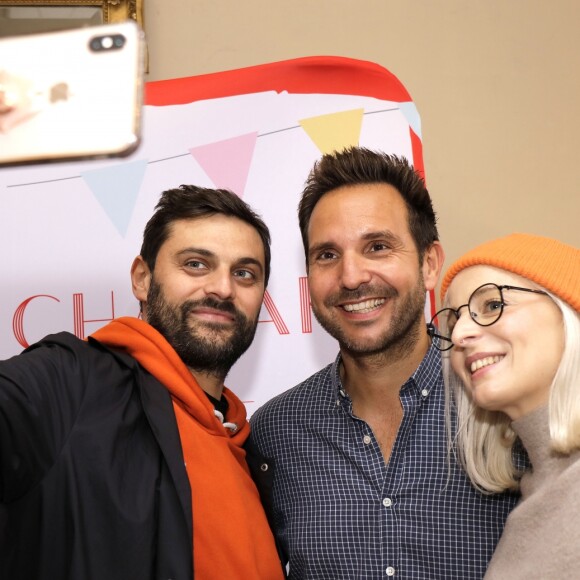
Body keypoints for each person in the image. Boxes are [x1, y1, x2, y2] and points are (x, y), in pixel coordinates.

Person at [250, 146, 521, 579]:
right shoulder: (274, 435)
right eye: (327, 255)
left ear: (429, 263)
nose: (352, 276)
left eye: (377, 246)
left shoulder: (509, 405)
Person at [0, 185, 285, 580]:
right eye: (196, 264)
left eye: (244, 273)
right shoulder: (72, 380)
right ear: (142, 279)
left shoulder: (255, 446)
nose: (223, 288)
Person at [436, 232, 580, 579]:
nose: (458, 335)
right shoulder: (539, 490)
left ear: (568, 312)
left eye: (492, 305)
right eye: (454, 322)